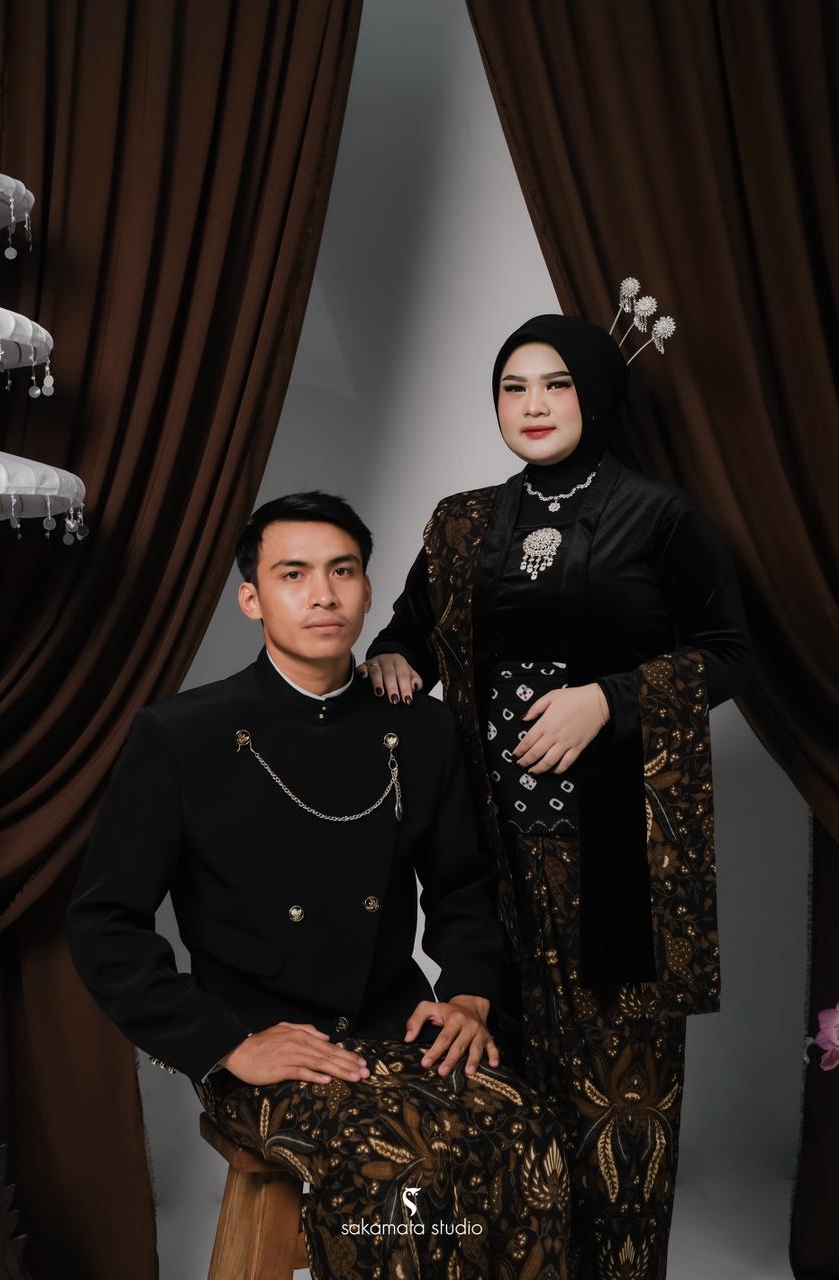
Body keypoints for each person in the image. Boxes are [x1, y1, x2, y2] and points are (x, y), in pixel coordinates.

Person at [66, 491, 572, 1280]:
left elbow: (462, 888)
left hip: (397, 1023)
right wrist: (228, 1044)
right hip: (265, 1041)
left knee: (526, 1129)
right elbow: (104, 921)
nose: (323, 594)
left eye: (342, 571)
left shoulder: (423, 729)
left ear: (368, 592)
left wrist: (471, 993)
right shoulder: (179, 735)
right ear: (252, 599)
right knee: (395, 1163)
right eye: (293, 574)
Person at [363, 314, 751, 1280]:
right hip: (492, 855)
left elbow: (730, 654)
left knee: (622, 1108)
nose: (532, 405)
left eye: (556, 385)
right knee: (507, 1090)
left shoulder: (660, 517)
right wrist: (393, 658)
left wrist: (609, 700)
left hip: (617, 856)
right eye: (513, 387)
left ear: (597, 394)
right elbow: (410, 630)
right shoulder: (461, 523)